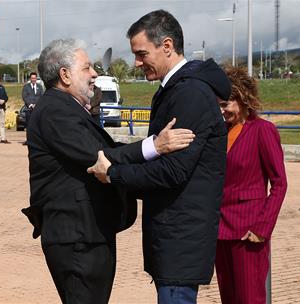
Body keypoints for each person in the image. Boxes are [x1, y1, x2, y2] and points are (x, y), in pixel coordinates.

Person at [25, 38, 195, 304]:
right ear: (65, 75)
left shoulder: (66, 107)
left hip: (86, 233)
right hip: (77, 237)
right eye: (87, 68)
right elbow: (100, 157)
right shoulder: (55, 111)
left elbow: (109, 147)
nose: (94, 74)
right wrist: (155, 146)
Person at [87, 10, 231, 304]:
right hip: (172, 233)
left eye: (141, 54)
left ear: (167, 46)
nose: (136, 63)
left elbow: (172, 170)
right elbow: (157, 154)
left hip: (181, 238)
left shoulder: (189, 94)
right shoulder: (175, 90)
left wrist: (114, 175)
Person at [215, 67, 287, 304]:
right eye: (219, 105)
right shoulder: (219, 133)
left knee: (250, 299)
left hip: (248, 233)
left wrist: (262, 229)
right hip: (220, 232)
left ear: (243, 98)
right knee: (229, 298)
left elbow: (279, 184)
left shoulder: (263, 131)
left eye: (226, 104)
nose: (222, 110)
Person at [21, 72, 44, 145]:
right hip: (29, 109)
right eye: (32, 78)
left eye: (35, 78)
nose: (33, 79)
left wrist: (37, 105)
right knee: (29, 125)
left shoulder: (40, 86)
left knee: (37, 125)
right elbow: (24, 96)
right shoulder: (26, 87)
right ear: (30, 78)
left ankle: (37, 140)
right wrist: (30, 105)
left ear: (36, 78)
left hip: (37, 109)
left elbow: (42, 96)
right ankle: (29, 140)